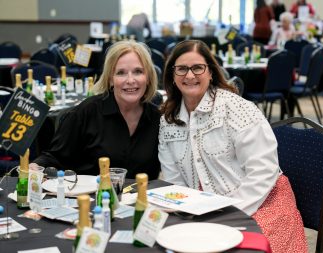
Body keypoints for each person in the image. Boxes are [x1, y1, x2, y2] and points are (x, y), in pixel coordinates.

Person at [158, 40, 308, 252]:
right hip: (204, 208)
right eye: (181, 69)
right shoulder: (168, 120)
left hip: (261, 201)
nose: (189, 76)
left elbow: (263, 171)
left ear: (210, 72)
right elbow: (174, 179)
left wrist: (225, 212)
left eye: (197, 68)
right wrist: (189, 211)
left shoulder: (236, 108)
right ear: (172, 76)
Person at [32, 41, 161, 179]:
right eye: (121, 73)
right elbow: (54, 158)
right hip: (92, 197)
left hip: (143, 198)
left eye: (138, 71)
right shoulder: (85, 113)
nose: (130, 80)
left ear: (148, 78)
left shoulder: (158, 119)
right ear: (111, 79)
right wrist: (35, 167)